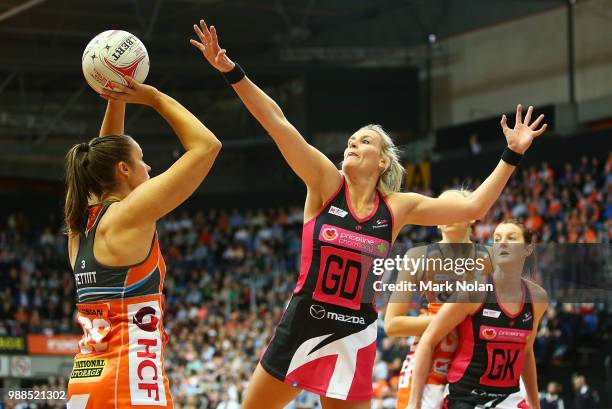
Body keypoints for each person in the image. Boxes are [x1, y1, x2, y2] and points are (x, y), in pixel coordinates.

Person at [190, 20, 547, 409]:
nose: (352, 144)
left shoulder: (396, 207)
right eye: (351, 140)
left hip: (353, 332)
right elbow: (278, 123)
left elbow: (474, 206)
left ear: (382, 161)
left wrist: (512, 154)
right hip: (305, 318)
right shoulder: (326, 183)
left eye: (364, 141)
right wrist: (231, 71)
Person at [65, 77, 222, 408]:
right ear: (124, 169)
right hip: (129, 385)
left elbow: (104, 154)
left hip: (85, 382)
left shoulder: (82, 224)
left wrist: (117, 95)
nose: (149, 167)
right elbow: (207, 146)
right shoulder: (128, 215)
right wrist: (152, 97)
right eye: (142, 159)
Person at [408, 220, 549, 409]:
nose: (502, 243)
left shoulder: (537, 297)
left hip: (509, 398)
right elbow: (428, 339)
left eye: (511, 238)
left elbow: (526, 351)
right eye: (497, 239)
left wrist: (535, 403)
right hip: (467, 396)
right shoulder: (474, 291)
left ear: (527, 249)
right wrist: (413, 403)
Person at [385, 189, 494, 409]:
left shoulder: (492, 258)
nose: (449, 214)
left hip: (476, 365)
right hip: (431, 362)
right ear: (436, 220)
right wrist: (451, 319)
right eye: (442, 210)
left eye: (455, 207)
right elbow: (393, 324)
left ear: (472, 215)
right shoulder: (417, 256)